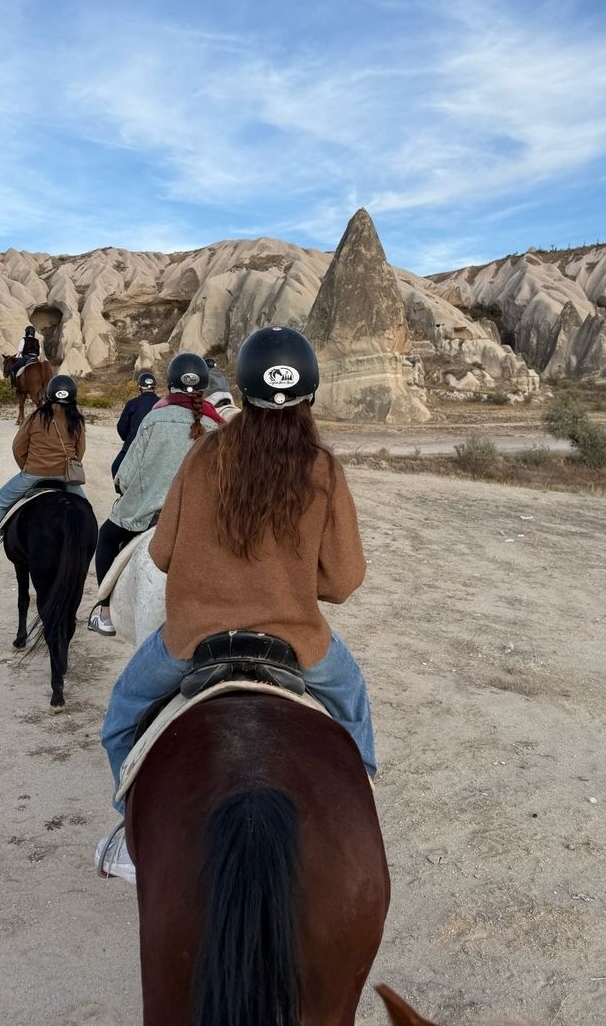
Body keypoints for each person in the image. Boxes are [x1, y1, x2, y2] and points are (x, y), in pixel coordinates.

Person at [96, 327, 375, 879]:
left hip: (193, 638)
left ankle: (130, 834)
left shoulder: (204, 456)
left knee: (121, 719)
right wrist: (289, 581)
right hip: (297, 640)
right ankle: (361, 810)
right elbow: (342, 581)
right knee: (352, 704)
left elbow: (164, 552)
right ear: (310, 396)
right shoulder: (323, 468)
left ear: (242, 393)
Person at [88, 353, 222, 636]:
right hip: (202, 520)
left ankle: (105, 613)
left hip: (149, 513)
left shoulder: (154, 418)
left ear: (170, 384)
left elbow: (126, 473)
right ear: (204, 387)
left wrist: (126, 487)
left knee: (107, 538)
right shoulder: (217, 425)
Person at [0, 374, 87, 562]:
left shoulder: (36, 416)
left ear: (49, 394)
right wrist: (67, 468)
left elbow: (18, 447)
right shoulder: (77, 420)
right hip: (65, 477)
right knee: (85, 510)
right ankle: (83, 548)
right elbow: (80, 450)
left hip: (33, 474)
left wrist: (27, 468)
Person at [111, 370, 159, 484]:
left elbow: (121, 427)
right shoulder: (162, 403)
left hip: (132, 446)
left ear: (140, 387)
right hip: (155, 447)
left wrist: (127, 438)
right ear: (154, 387)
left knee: (115, 467)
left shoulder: (132, 403)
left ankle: (121, 494)